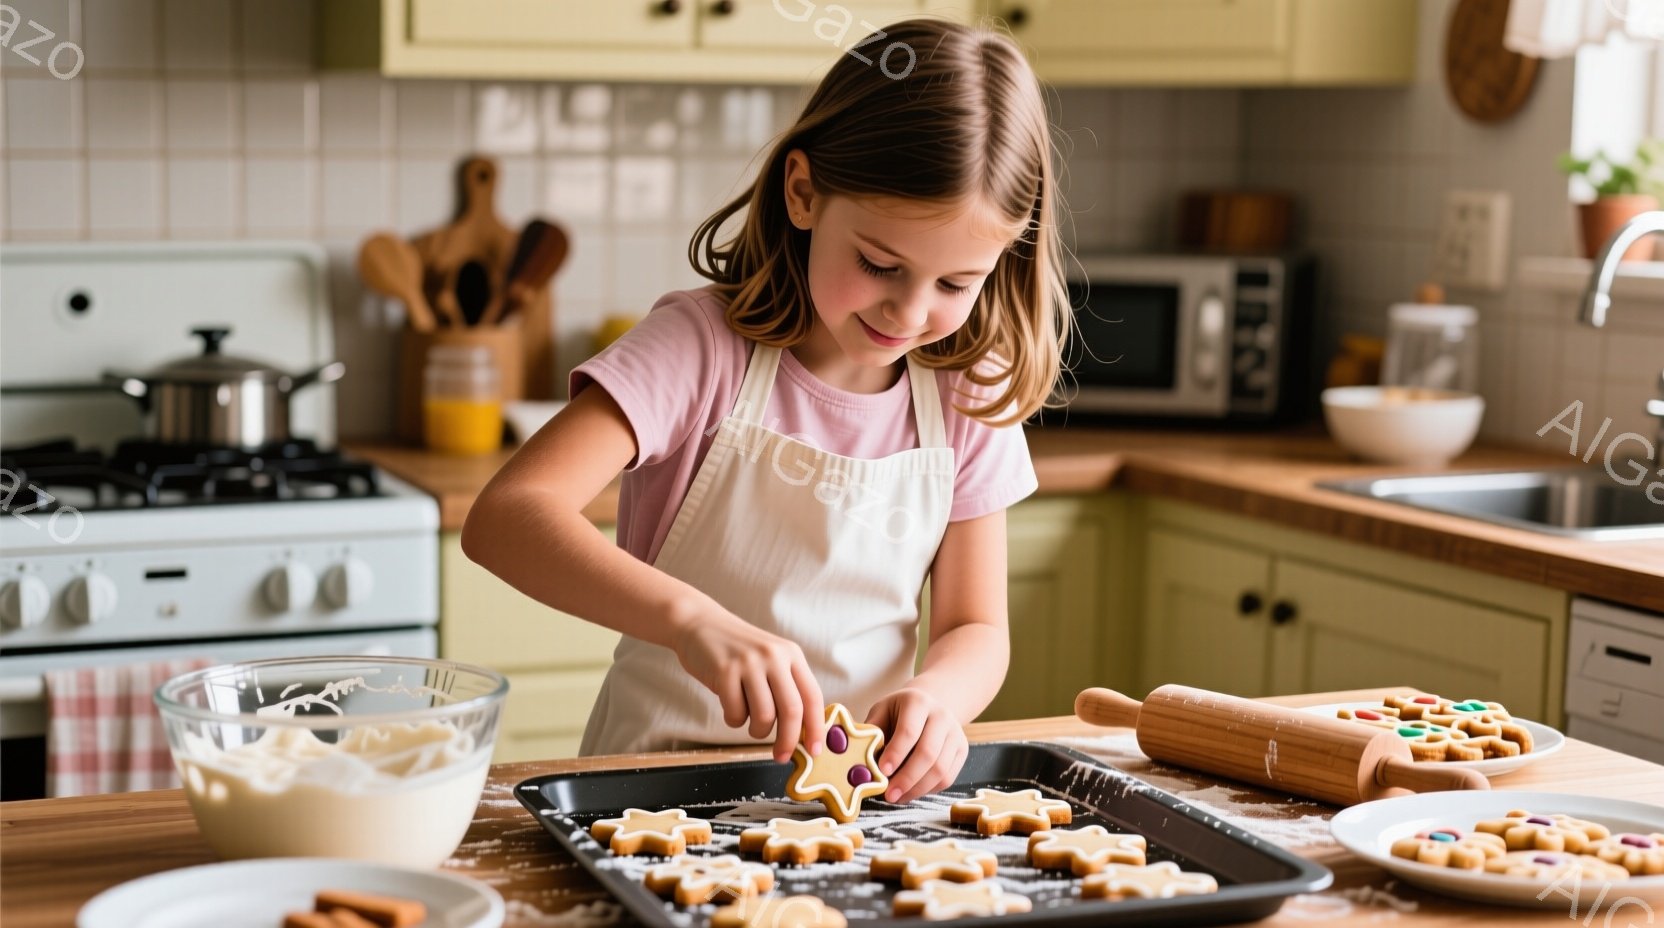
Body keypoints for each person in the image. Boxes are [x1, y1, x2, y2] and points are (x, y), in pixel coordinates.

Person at [461, 17, 1068, 805]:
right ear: (803, 193)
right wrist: (691, 621)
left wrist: (941, 700)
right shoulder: (700, 348)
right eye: (879, 263)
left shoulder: (965, 388)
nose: (912, 311)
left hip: (848, 810)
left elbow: (974, 629)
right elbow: (507, 516)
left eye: (956, 283)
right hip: (651, 791)